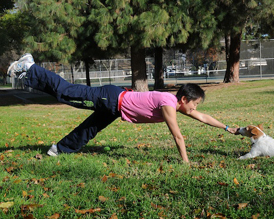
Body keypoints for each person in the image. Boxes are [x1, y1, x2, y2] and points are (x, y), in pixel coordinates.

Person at [8, 53, 238, 163]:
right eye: (195, 103)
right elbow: (177, 136)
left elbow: (204, 118)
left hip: (114, 107)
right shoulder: (169, 104)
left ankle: (60, 149)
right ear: (186, 99)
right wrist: (186, 162)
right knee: (65, 92)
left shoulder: (175, 104)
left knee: (90, 128)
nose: (196, 108)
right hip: (109, 98)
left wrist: (228, 127)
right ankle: (30, 67)